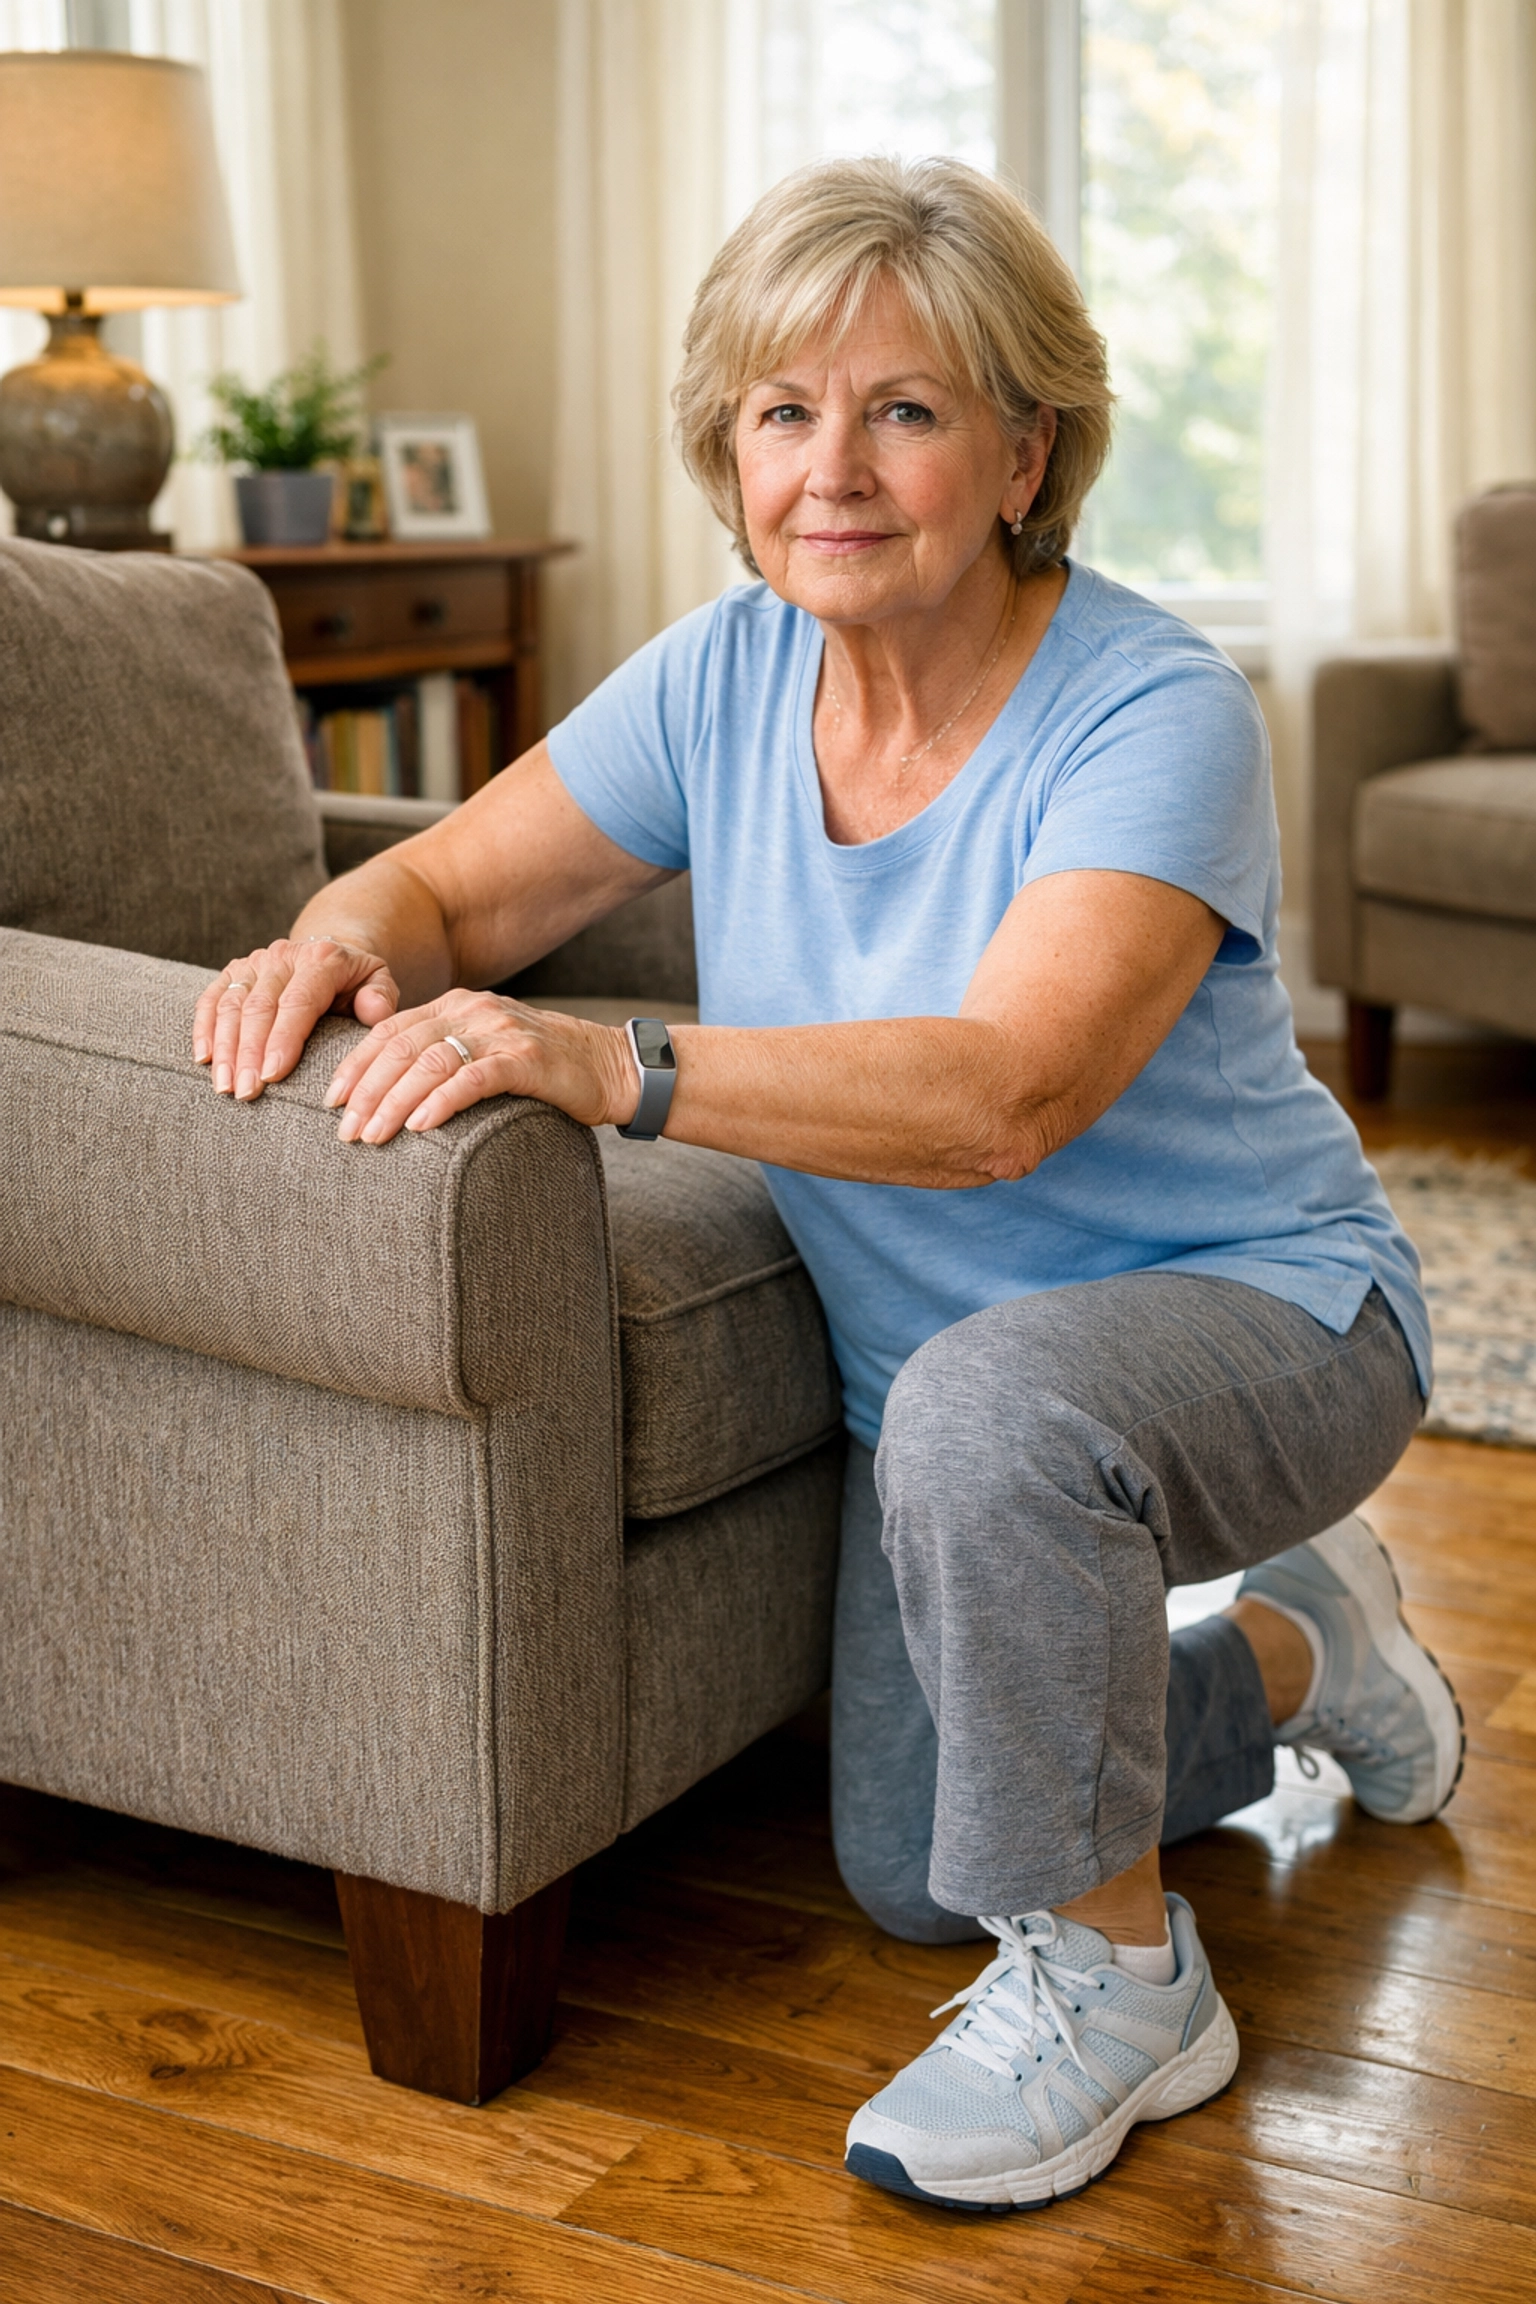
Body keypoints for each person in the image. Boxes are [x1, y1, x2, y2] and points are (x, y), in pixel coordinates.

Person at [193, 157, 1462, 2212]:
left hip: (1273, 1312)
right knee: (911, 1869)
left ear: (1024, 448)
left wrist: (609, 1062)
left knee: (997, 1453)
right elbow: (445, 881)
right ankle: (1322, 1661)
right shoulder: (720, 681)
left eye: (907, 408)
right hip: (958, 1397)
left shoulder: (1153, 707)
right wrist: (342, 933)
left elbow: (1006, 1097)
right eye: (784, 412)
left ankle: (1133, 1985)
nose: (835, 471)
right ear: (729, 450)